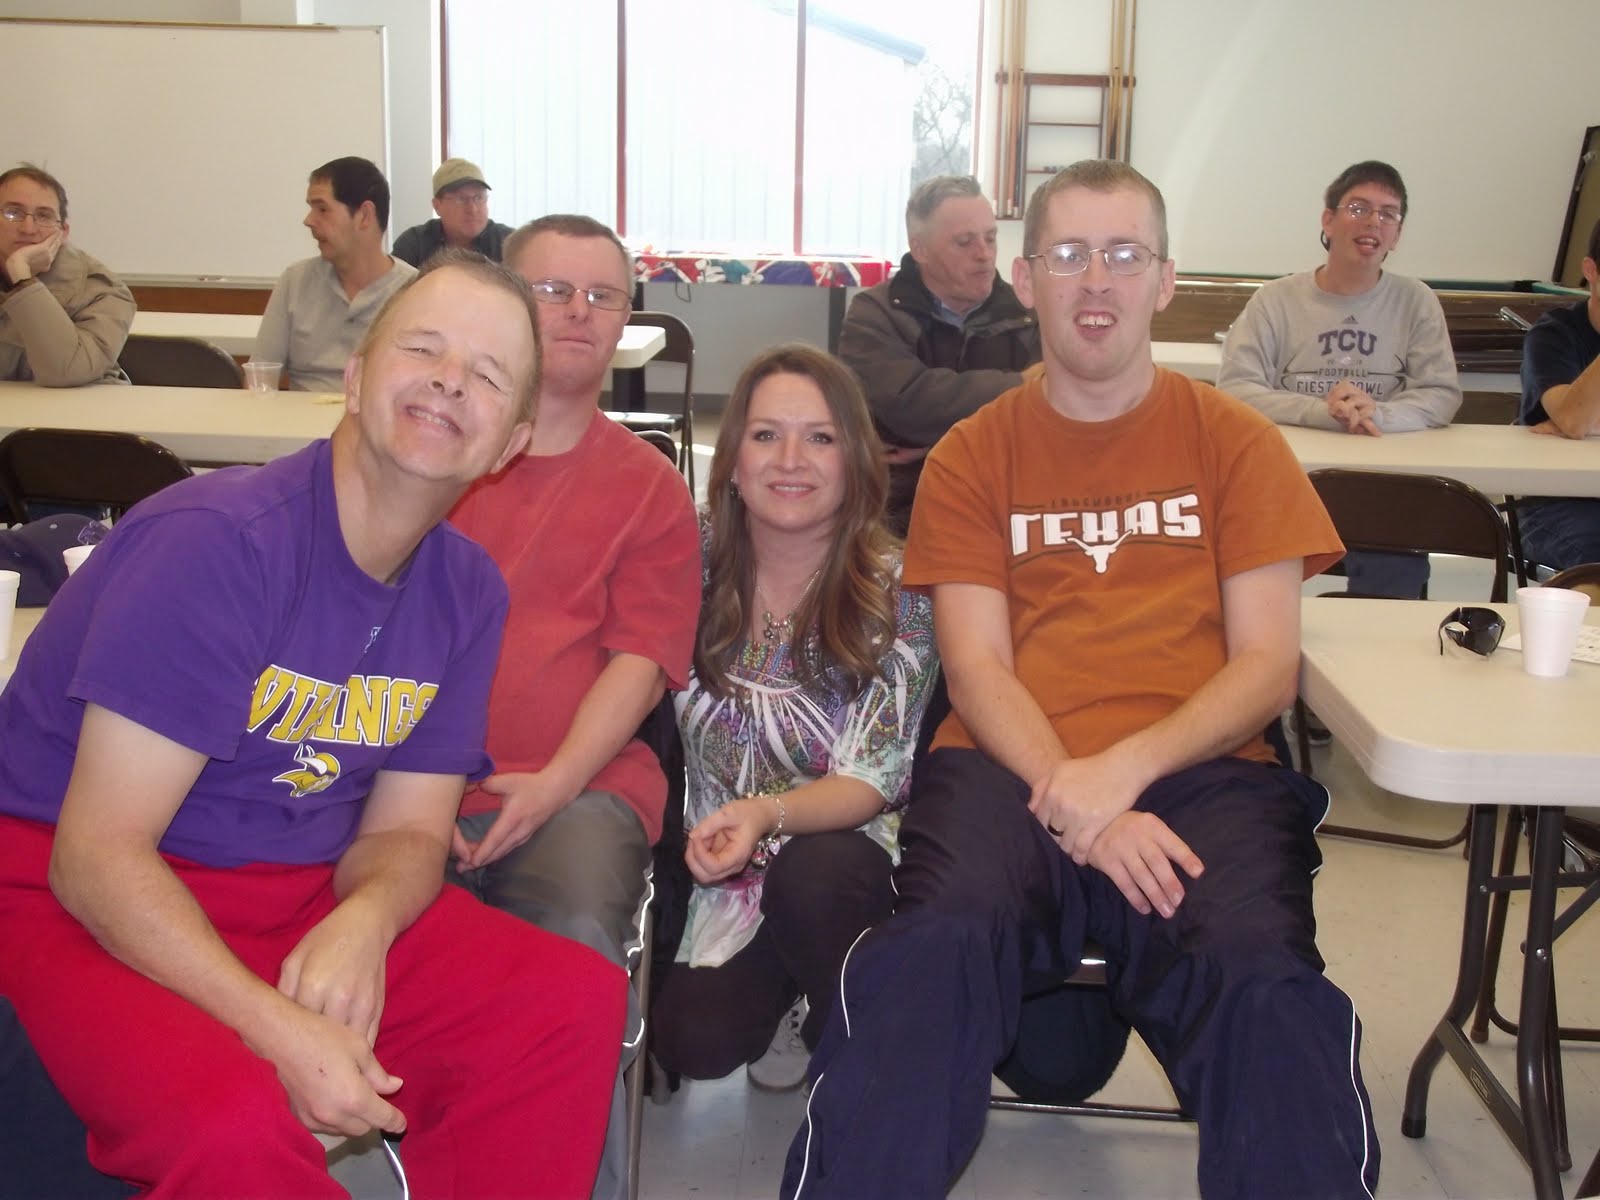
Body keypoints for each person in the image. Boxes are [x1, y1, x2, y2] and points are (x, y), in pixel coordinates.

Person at [782, 160, 1378, 1200]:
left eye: (1122, 255)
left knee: (1261, 981)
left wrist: (1121, 776)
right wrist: (1083, 801)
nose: (1095, 280)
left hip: (1202, 771)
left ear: (1164, 281)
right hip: (1008, 767)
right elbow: (975, 667)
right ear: (1026, 281)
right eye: (1066, 255)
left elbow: (1266, 666)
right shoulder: (974, 455)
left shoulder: (1236, 443)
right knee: (927, 959)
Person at [0, 253, 624, 1198]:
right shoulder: (217, 544)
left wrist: (366, 921)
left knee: (564, 1003)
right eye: (423, 348)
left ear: (511, 444)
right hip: (79, 894)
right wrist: (279, 1029)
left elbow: (410, 832)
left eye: (489, 375)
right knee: (234, 1126)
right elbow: (98, 858)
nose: (451, 380)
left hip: (293, 889)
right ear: (356, 376)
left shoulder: (466, 591)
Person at [446, 214, 700, 1200]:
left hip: (583, 789)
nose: (580, 313)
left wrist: (551, 786)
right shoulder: (436, 454)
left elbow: (640, 663)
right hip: (403, 781)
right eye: (553, 290)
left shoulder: (647, 489)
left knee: (573, 950)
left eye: (604, 296)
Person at [649, 343, 938, 1094]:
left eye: (820, 438)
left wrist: (765, 813)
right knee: (691, 1040)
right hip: (723, 859)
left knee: (815, 884)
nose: (790, 461)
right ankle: (787, 986)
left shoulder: (900, 590)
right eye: (765, 434)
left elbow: (873, 779)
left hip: (848, 858)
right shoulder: (684, 558)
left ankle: (847, 1016)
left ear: (855, 460)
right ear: (732, 460)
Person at [1218, 159, 1461, 598]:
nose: (1373, 222)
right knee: (1257, 577)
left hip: (1384, 485)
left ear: (1397, 235)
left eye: (1388, 214)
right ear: (1328, 220)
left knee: (1395, 574)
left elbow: (1441, 394)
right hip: (1290, 479)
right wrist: (1322, 411)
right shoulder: (1275, 300)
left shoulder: (1416, 300)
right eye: (1359, 208)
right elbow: (1235, 389)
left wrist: (1378, 413)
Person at [838, 175, 1039, 534]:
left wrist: (933, 444)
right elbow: (905, 407)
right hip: (899, 511)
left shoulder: (1029, 313)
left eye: (990, 237)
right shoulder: (874, 314)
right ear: (920, 249)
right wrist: (1021, 386)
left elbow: (1051, 413)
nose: (984, 253)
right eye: (964, 242)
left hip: (1007, 506)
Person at [252, 156, 415, 392]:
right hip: (301, 414)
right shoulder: (295, 281)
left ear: (365, 215)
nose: (308, 221)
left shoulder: (414, 291)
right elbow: (261, 375)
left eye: (322, 209)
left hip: (376, 414)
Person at [1515, 216, 1600, 570]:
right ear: (1591, 270)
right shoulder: (1554, 334)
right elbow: (1575, 420)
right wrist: (1577, 422)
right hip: (1556, 503)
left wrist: (1582, 423)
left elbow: (1572, 423)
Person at [0, 164, 133, 386]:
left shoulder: (102, 289)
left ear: (63, 233)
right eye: (13, 213)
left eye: (44, 216)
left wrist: (22, 278)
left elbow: (66, 372)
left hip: (79, 406)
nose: (28, 228)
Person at [393, 157, 515, 268]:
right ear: (437, 205)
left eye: (478, 198)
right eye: (460, 199)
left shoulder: (508, 242)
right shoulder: (414, 244)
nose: (472, 209)